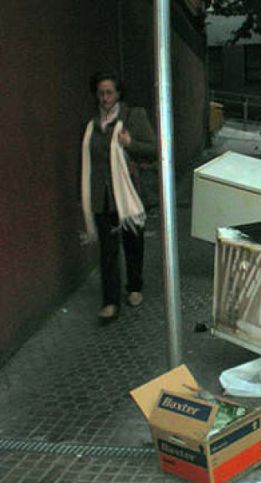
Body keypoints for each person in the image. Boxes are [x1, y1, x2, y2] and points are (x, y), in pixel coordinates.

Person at [80, 71, 156, 323]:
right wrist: (83, 197)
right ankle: (110, 302)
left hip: (128, 195)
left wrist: (130, 143)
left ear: (118, 93)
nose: (104, 98)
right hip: (102, 198)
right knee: (108, 252)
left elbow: (154, 149)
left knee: (133, 244)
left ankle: (134, 286)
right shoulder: (92, 125)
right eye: (100, 93)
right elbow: (86, 162)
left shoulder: (134, 117)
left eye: (109, 92)